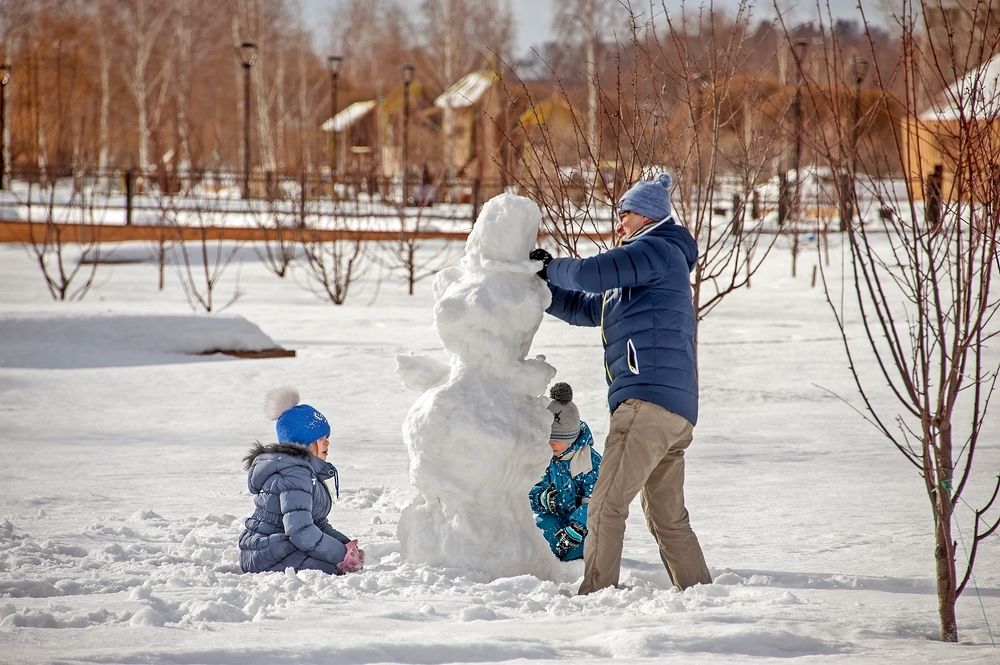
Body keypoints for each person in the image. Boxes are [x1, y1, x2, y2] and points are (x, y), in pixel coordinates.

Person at [529, 172, 711, 594]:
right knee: (667, 517)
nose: (618, 224)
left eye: (623, 215)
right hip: (674, 412)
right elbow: (585, 306)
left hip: (646, 404)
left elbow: (591, 274)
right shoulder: (647, 268)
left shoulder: (655, 249)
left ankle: (595, 596)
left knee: (605, 505)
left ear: (646, 216)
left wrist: (550, 264)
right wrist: (540, 288)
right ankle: (702, 594)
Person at [239, 386, 364, 575]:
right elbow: (300, 531)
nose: (327, 443)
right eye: (321, 438)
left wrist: (345, 546)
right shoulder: (294, 475)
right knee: (334, 571)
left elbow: (315, 523)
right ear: (303, 443)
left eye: (328, 438)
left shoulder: (303, 471)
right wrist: (340, 556)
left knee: (338, 567)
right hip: (267, 554)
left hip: (274, 548)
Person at [529, 382, 602, 562]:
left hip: (583, 526)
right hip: (556, 518)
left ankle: (571, 559)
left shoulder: (589, 462)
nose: (551, 444)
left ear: (571, 438)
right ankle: (544, 559)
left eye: (556, 439)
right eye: (548, 438)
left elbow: (597, 500)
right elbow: (530, 487)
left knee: (582, 547)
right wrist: (541, 498)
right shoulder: (545, 457)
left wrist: (578, 527)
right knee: (538, 529)